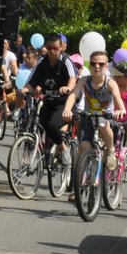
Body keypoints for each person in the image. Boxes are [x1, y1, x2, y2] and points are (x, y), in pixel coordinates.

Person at [63, 47, 124, 170]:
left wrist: (120, 110)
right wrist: (67, 109)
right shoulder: (84, 80)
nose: (97, 66)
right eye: (93, 63)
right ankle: (85, 171)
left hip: (105, 116)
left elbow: (118, 99)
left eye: (101, 64)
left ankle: (110, 150)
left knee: (103, 125)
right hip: (88, 115)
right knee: (83, 146)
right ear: (89, 65)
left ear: (106, 66)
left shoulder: (110, 83)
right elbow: (74, 94)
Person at [27, 35, 75, 164]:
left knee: (52, 124)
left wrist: (68, 88)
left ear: (61, 48)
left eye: (55, 48)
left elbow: (73, 79)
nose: (52, 51)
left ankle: (63, 148)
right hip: (48, 101)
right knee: (43, 122)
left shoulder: (66, 61)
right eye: (49, 48)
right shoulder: (41, 61)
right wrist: (27, 90)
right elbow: (30, 81)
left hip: (64, 103)